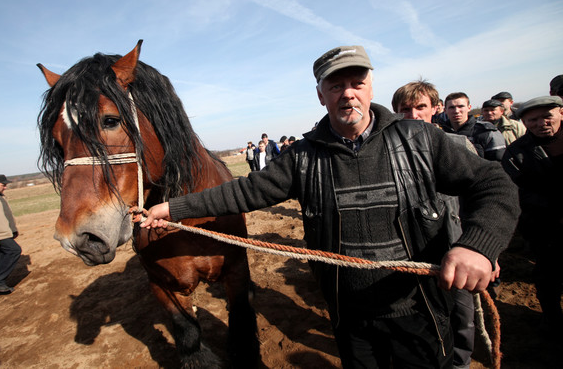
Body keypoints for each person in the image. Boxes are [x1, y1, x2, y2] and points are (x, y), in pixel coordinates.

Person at [141, 45, 519, 368]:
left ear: (371, 88)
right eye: (335, 86)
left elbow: (494, 184)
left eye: (357, 83)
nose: (348, 94)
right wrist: (173, 208)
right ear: (321, 95)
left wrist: (478, 245)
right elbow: (241, 192)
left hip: (419, 310)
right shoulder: (302, 157)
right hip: (347, 314)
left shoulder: (420, 140)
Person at [392, 79, 479, 369]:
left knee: (462, 315)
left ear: (436, 109)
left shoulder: (458, 145)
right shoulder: (388, 156)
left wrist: (482, 247)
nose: (413, 115)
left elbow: (479, 199)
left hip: (457, 246)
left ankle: (460, 363)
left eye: (420, 107)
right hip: (410, 252)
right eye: (405, 110)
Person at [502, 96, 563, 336]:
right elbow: (519, 193)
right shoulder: (516, 154)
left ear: (560, 113)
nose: (541, 123)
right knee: (549, 276)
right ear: (525, 122)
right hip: (545, 228)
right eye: (533, 119)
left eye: (547, 116)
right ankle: (553, 321)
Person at [441, 92, 506, 161]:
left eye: (461, 106)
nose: (456, 111)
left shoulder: (487, 132)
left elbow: (498, 164)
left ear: (469, 108)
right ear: (445, 110)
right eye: (452, 107)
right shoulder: (440, 134)